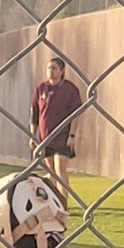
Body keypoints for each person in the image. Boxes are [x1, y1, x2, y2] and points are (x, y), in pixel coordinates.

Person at [29, 57, 82, 204]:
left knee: (60, 168)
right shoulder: (41, 88)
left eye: (54, 68)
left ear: (62, 71)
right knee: (51, 170)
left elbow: (76, 114)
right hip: (45, 137)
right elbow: (34, 113)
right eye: (48, 68)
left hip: (63, 136)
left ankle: (63, 202)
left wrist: (72, 135)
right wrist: (32, 135)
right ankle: (52, 201)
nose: (50, 71)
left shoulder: (70, 90)